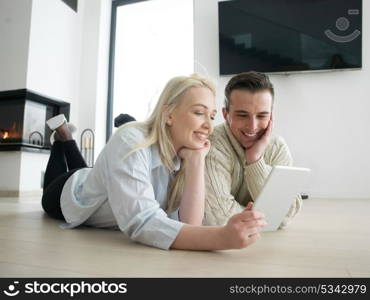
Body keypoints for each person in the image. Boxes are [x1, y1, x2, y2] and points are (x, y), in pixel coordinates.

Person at [41, 74, 266, 251]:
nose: (209, 126)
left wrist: (196, 160)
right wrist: (220, 237)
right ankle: (61, 141)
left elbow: (190, 223)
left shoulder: (187, 153)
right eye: (199, 112)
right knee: (61, 180)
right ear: (168, 114)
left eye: (212, 116)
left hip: (96, 180)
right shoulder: (131, 139)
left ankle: (64, 138)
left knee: (88, 171)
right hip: (67, 192)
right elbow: (143, 222)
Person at [167, 71, 302, 228]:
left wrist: (255, 159)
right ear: (226, 114)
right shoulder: (210, 145)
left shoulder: (277, 147)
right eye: (242, 115)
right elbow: (217, 219)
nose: (252, 126)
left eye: (262, 116)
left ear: (271, 115)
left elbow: (289, 211)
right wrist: (270, 218)